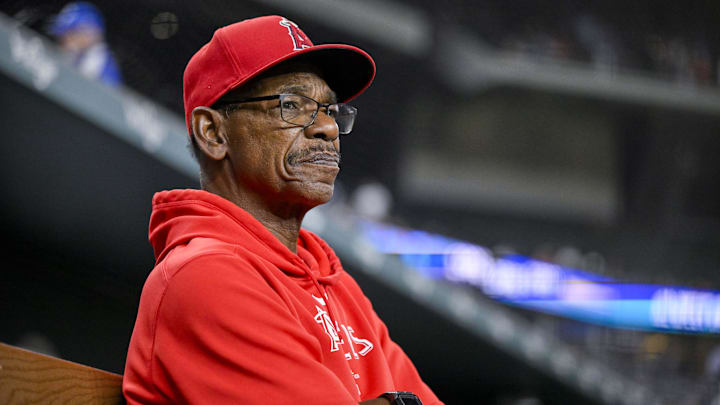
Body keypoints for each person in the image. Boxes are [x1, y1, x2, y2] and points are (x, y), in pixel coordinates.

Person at [123, 15, 443, 405]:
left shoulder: (338, 286)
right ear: (213, 132)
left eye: (330, 110)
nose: (326, 128)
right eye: (292, 105)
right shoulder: (204, 275)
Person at [50, 2, 121, 86]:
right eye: (64, 34)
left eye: (72, 33)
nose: (65, 39)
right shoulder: (77, 56)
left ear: (91, 33)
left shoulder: (103, 67)